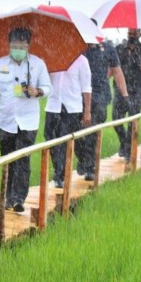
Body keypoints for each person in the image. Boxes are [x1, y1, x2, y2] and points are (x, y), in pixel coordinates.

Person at [0, 27, 51, 212]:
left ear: (28, 46)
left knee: (23, 158)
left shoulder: (37, 64)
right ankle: (7, 196)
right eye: (14, 46)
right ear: (9, 45)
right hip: (6, 121)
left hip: (29, 121)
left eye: (21, 46)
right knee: (7, 160)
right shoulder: (1, 65)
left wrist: (38, 91)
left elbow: (47, 87)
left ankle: (18, 198)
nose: (17, 49)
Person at [75, 33, 129, 180]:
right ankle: (83, 159)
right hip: (77, 95)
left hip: (100, 95)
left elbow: (117, 71)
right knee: (76, 130)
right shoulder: (76, 48)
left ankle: (90, 166)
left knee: (93, 130)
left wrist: (124, 95)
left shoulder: (108, 49)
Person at [45, 54, 92, 188]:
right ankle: (58, 168)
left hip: (72, 108)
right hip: (53, 106)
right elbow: (45, 82)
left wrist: (87, 111)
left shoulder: (82, 61)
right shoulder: (52, 58)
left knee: (65, 141)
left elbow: (86, 88)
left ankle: (60, 175)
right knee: (50, 140)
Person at [113, 28, 141, 161]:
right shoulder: (119, 49)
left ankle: (128, 150)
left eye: (134, 34)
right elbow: (112, 67)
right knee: (116, 119)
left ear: (140, 34)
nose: (131, 36)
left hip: (138, 90)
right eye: (129, 33)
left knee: (132, 120)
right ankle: (125, 143)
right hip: (120, 89)